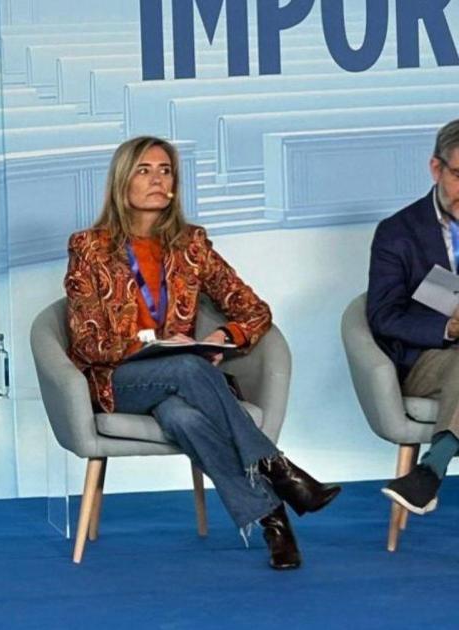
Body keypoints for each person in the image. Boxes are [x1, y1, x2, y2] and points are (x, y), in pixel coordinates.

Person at [63, 136, 340, 570]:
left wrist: (223, 335)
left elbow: (254, 310)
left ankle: (273, 521)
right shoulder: (89, 247)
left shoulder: (191, 245)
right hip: (119, 380)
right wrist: (151, 345)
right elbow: (86, 342)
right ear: (122, 182)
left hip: (182, 383)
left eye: (165, 170)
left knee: (184, 419)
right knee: (188, 368)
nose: (157, 179)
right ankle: (277, 467)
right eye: (144, 170)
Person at [370, 119, 459, 514]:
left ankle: (428, 474)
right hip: (428, 357)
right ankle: (434, 466)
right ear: (436, 168)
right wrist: (448, 326)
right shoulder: (398, 232)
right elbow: (383, 315)